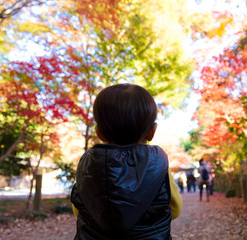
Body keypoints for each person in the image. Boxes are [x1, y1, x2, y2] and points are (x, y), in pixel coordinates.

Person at [71, 84, 183, 240]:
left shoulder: (88, 164)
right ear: (152, 132)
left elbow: (78, 209)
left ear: (99, 133)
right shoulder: (157, 164)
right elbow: (175, 209)